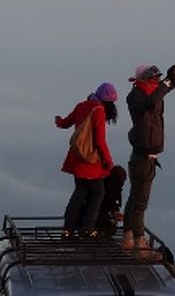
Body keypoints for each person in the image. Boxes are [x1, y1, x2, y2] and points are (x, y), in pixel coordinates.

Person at [122, 63, 175, 252]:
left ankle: (128, 237)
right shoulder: (136, 96)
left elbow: (164, 90)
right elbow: (151, 101)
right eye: (153, 78)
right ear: (144, 79)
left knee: (135, 199)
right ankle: (139, 243)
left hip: (145, 155)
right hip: (143, 157)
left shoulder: (150, 92)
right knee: (140, 202)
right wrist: (167, 82)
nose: (156, 81)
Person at [55, 82, 117, 238]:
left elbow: (65, 123)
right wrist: (109, 162)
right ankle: (88, 229)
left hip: (77, 157)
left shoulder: (82, 106)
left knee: (80, 191)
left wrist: (59, 120)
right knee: (98, 192)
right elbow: (100, 141)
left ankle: (67, 229)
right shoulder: (99, 111)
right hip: (91, 161)